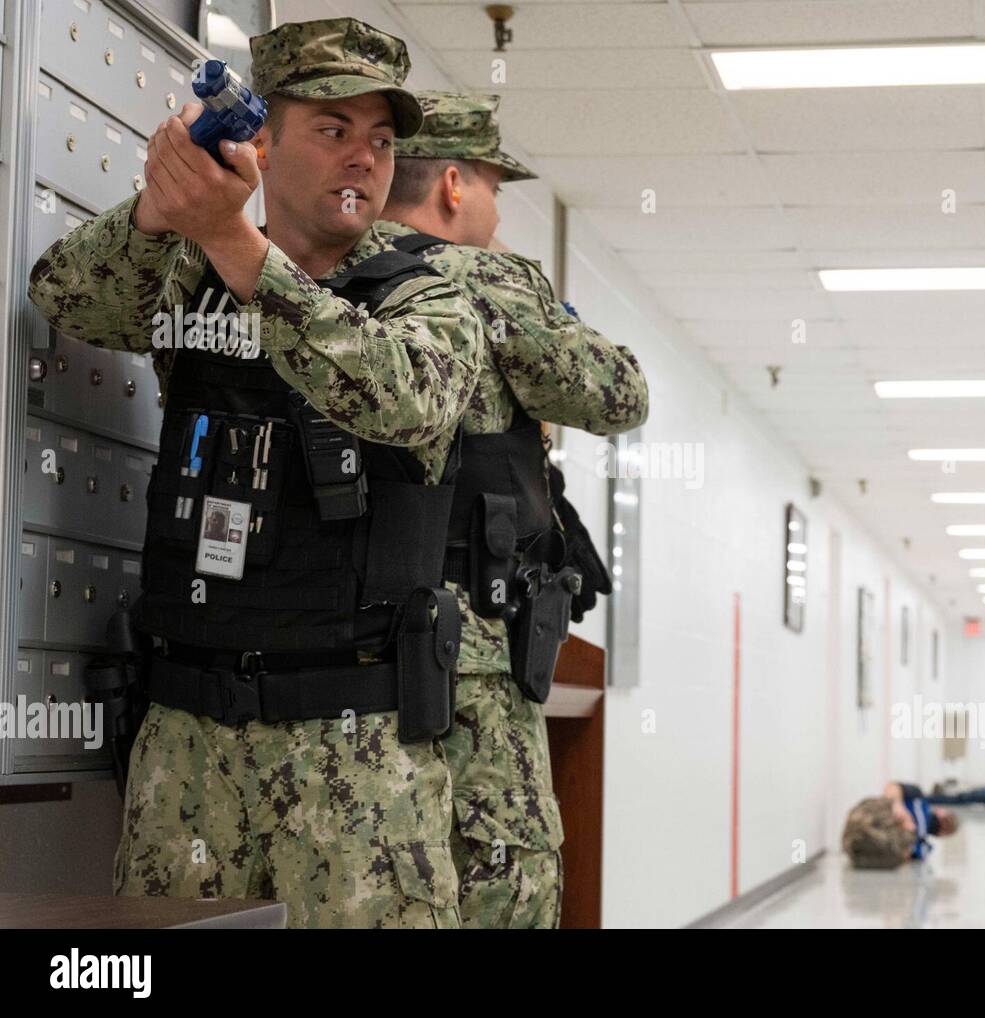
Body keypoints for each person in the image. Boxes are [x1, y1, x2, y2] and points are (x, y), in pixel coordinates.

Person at [27, 17, 488, 928]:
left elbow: (399, 398)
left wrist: (234, 244)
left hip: (359, 755)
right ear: (262, 141)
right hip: (188, 738)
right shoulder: (187, 274)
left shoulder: (431, 293)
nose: (364, 159)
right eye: (333, 129)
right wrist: (160, 211)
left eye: (383, 141)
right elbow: (65, 295)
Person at [377, 90, 649, 928]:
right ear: (454, 184)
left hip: (344, 643)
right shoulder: (482, 275)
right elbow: (620, 393)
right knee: (506, 876)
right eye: (495, 187)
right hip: (470, 646)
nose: (498, 210)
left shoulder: (315, 265)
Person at [883, 782, 959, 859]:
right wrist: (898, 806)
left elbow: (902, 856)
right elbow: (893, 787)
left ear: (941, 835)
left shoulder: (922, 846)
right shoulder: (917, 796)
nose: (944, 825)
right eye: (947, 820)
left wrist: (907, 832)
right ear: (940, 810)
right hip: (880, 814)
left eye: (947, 829)